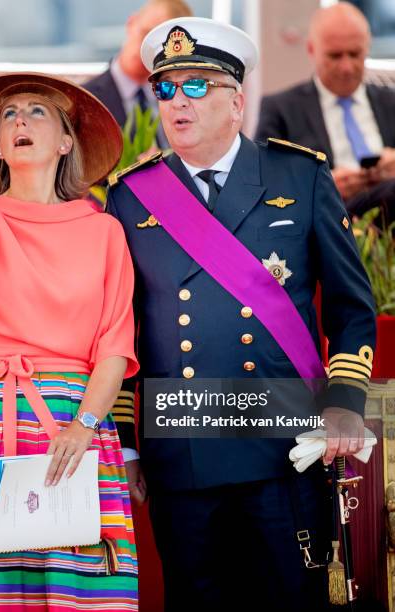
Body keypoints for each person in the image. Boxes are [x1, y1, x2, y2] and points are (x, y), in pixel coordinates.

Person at [106, 15, 377, 612]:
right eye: (166, 89)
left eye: (197, 85)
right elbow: (118, 333)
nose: (178, 102)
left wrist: (342, 405)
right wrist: (125, 445)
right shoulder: (130, 196)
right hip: (182, 448)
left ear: (236, 98)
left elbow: (353, 308)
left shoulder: (299, 176)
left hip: (282, 446)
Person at [0, 15, 139, 612]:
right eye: (9, 114)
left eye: (37, 111)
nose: (20, 121)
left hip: (76, 422)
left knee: (81, 594)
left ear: (67, 141)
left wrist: (84, 427)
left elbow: (114, 348)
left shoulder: (105, 232)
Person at [255, 2, 395, 221]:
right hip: (326, 217)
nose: (347, 67)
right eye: (335, 56)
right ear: (312, 50)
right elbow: (262, 182)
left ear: (367, 47)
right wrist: (322, 186)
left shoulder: (391, 100)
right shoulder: (281, 109)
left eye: (355, 54)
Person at [84, 0, 192, 149]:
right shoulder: (85, 100)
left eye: (160, 46)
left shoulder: (181, 99)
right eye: (145, 34)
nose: (146, 49)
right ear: (131, 23)